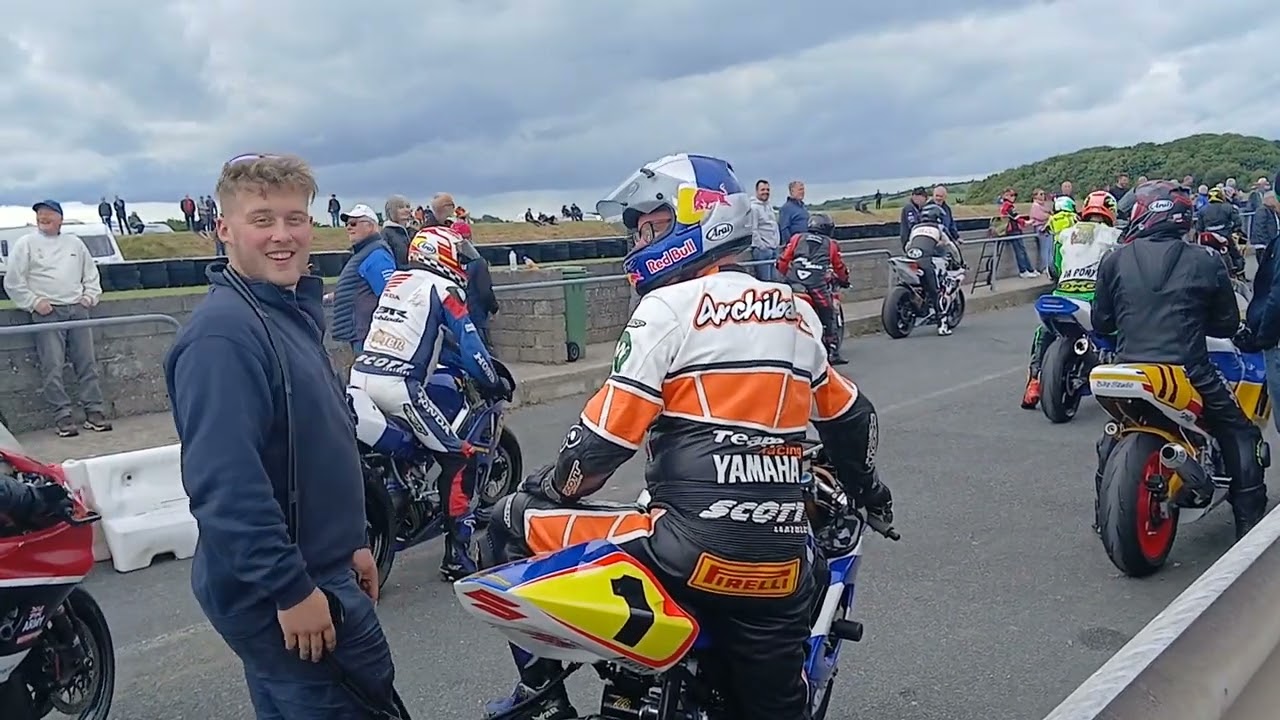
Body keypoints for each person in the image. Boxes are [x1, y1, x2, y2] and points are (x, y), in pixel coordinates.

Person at [479, 153, 894, 720]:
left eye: (651, 225)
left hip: (682, 550)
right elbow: (853, 417)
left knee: (503, 520)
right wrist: (871, 492)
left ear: (699, 218)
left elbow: (600, 446)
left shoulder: (667, 308)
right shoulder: (798, 313)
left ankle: (541, 701)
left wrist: (550, 487)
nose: (641, 239)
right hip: (778, 567)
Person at [165, 153, 400, 718]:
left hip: (323, 563)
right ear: (224, 229)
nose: (283, 235)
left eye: (295, 218)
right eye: (262, 219)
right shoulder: (224, 337)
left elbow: (316, 445)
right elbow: (226, 486)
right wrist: (290, 591)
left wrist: (353, 540)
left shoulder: (284, 312)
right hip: (287, 588)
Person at [1092, 181, 1268, 540]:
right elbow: (1226, 324)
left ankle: (1102, 516)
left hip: (1127, 368)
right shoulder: (1205, 258)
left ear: (1146, 213)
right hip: (1189, 370)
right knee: (1240, 431)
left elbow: (1102, 322)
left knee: (1115, 431)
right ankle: (1249, 527)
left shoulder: (1114, 260)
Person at [348, 226, 508, 581]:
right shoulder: (445, 289)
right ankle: (458, 557)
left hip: (360, 376)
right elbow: (469, 344)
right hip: (399, 385)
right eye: (457, 254)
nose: (462, 263)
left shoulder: (397, 281)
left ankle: (399, 490)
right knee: (459, 458)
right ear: (441, 255)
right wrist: (492, 381)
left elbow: (419, 331)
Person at [3, 200, 112, 437]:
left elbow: (90, 274)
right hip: (48, 311)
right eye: (40, 214)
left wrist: (90, 297)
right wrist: (34, 303)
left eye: (48, 214)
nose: (43, 218)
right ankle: (62, 415)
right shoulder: (26, 244)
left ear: (60, 218)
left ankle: (94, 411)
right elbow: (13, 280)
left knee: (87, 363)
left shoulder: (75, 243)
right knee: (52, 365)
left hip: (77, 309)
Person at [1020, 191, 1122, 409]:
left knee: (1043, 331)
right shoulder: (1115, 236)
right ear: (1110, 212)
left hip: (1063, 296)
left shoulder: (1064, 234)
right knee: (1127, 324)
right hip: (1094, 298)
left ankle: (1034, 381)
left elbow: (1054, 269)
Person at [778, 212, 850, 364]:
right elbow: (839, 267)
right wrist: (844, 280)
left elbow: (783, 261)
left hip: (793, 282)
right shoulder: (831, 244)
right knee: (828, 311)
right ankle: (832, 351)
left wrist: (786, 276)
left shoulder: (797, 238)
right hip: (815, 284)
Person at [330, 204, 397, 353]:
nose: (349, 227)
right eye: (347, 224)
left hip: (367, 334)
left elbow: (389, 295)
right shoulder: (366, 252)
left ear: (370, 226)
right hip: (363, 332)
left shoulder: (376, 255)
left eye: (354, 223)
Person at [904, 203, 964, 336]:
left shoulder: (915, 228)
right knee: (936, 292)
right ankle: (942, 326)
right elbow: (951, 247)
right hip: (926, 261)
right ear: (937, 217)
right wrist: (960, 262)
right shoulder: (939, 228)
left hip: (909, 259)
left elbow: (908, 245)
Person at [1195, 186, 1246, 278]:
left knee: (1202, 256)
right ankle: (1239, 273)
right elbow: (1238, 222)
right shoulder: (1229, 207)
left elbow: (1199, 227)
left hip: (1208, 238)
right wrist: (1234, 230)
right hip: (1225, 236)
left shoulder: (1202, 210)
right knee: (1236, 254)